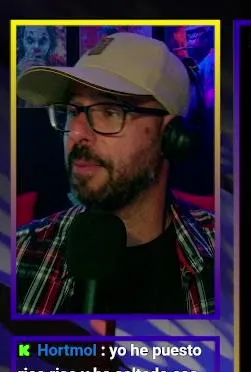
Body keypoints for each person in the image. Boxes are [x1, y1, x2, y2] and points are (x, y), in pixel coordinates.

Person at [15, 32, 216, 316]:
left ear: (170, 136)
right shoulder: (20, 253)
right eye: (72, 110)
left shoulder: (222, 255)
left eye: (110, 111)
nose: (76, 133)